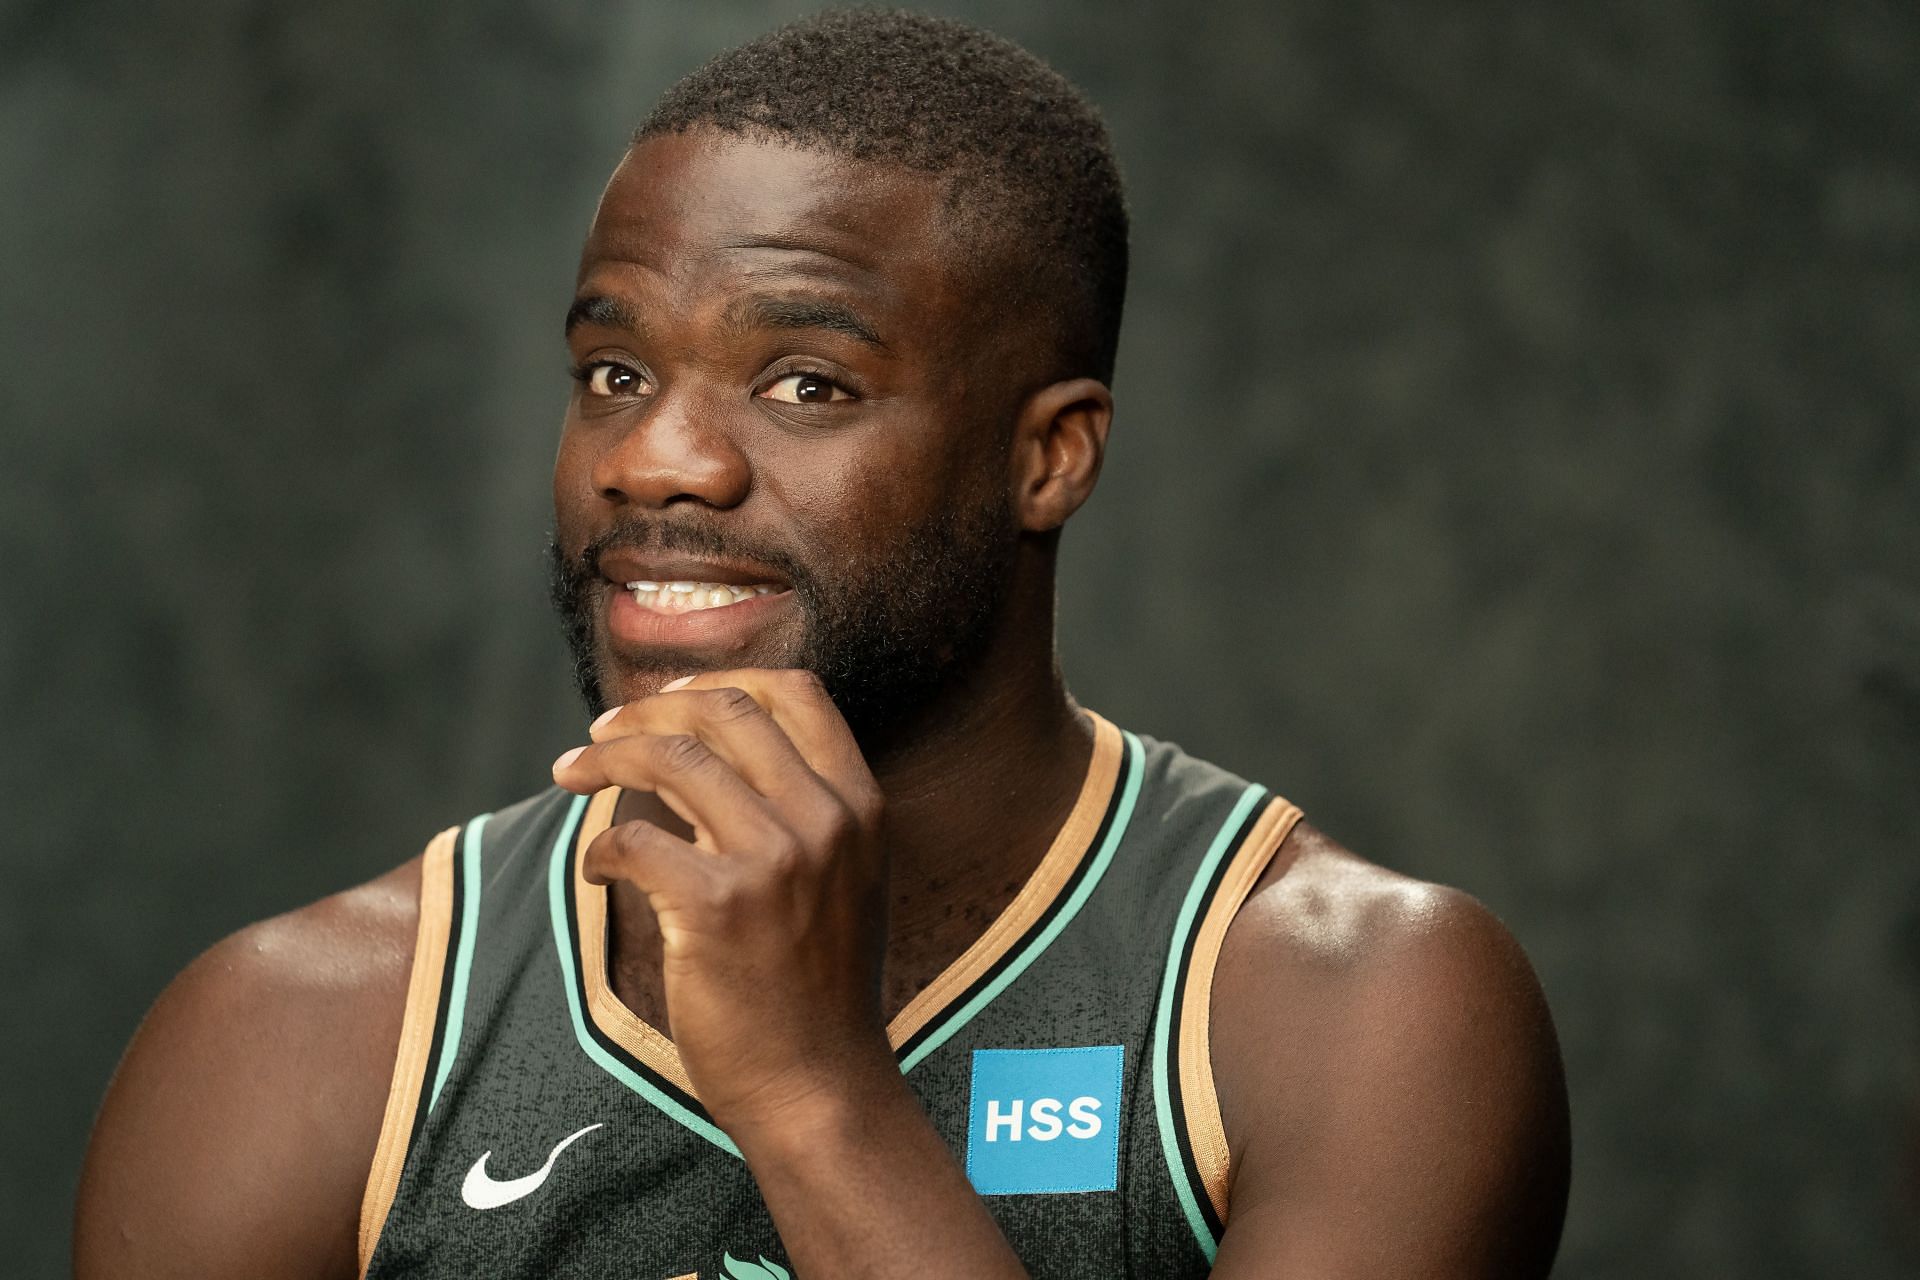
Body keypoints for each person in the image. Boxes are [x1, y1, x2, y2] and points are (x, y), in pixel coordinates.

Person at [73, 10, 1570, 1278]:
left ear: (1048, 458)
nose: (655, 460)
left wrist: (812, 1091)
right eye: (613, 369)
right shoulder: (304, 1035)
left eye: (803, 385)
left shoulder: (1349, 1011)